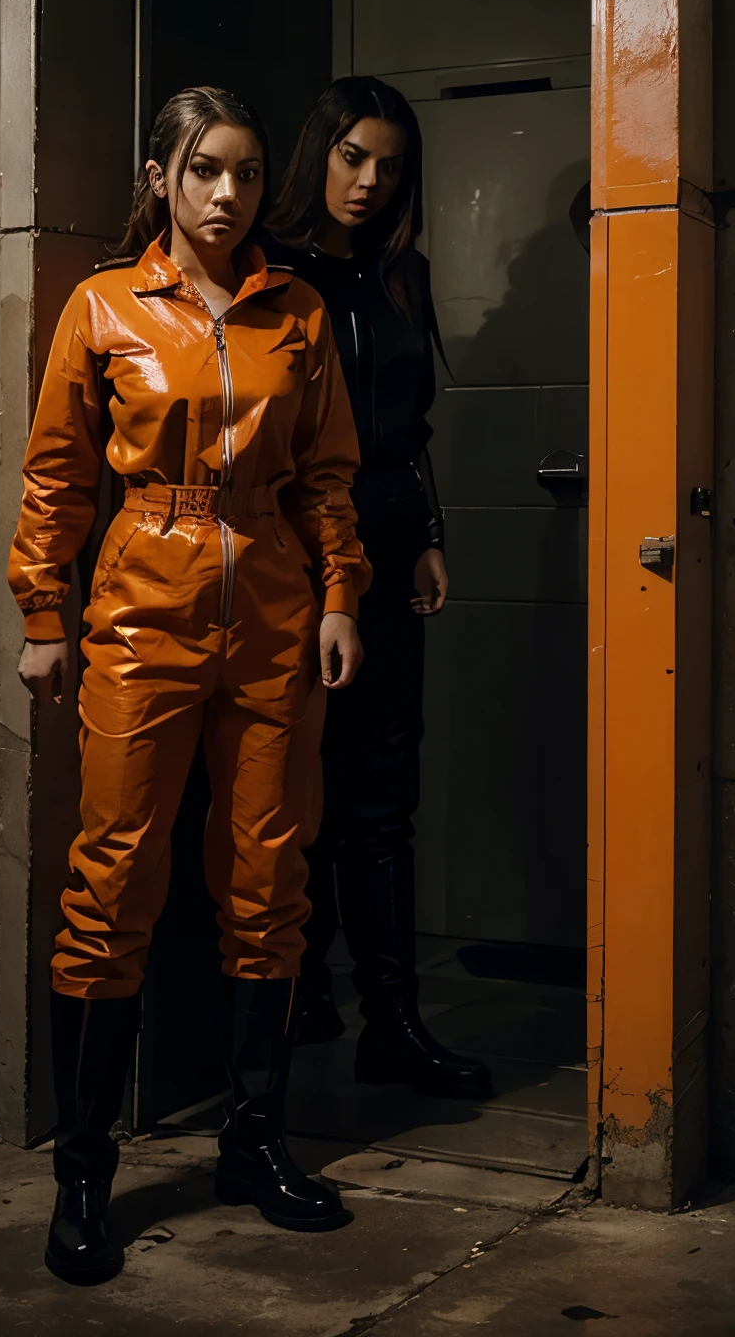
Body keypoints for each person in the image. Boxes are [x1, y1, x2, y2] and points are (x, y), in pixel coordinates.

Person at [9, 86, 369, 1285]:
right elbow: (58, 473)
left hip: (272, 609)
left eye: (251, 173)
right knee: (112, 875)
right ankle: (83, 1176)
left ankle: (252, 1143)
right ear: (162, 176)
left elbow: (327, 475)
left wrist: (337, 598)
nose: (230, 195)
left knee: (269, 874)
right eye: (206, 171)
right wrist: (44, 614)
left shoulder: (298, 310)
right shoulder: (105, 306)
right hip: (139, 609)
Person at [262, 77, 491, 1100]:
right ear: (318, 152)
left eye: (389, 164)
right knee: (289, 775)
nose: (368, 180)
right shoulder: (267, 270)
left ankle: (391, 1021)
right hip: (296, 548)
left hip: (391, 543)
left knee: (383, 786)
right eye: (353, 155)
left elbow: (411, 425)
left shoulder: (403, 275)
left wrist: (430, 535)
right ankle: (296, 987)